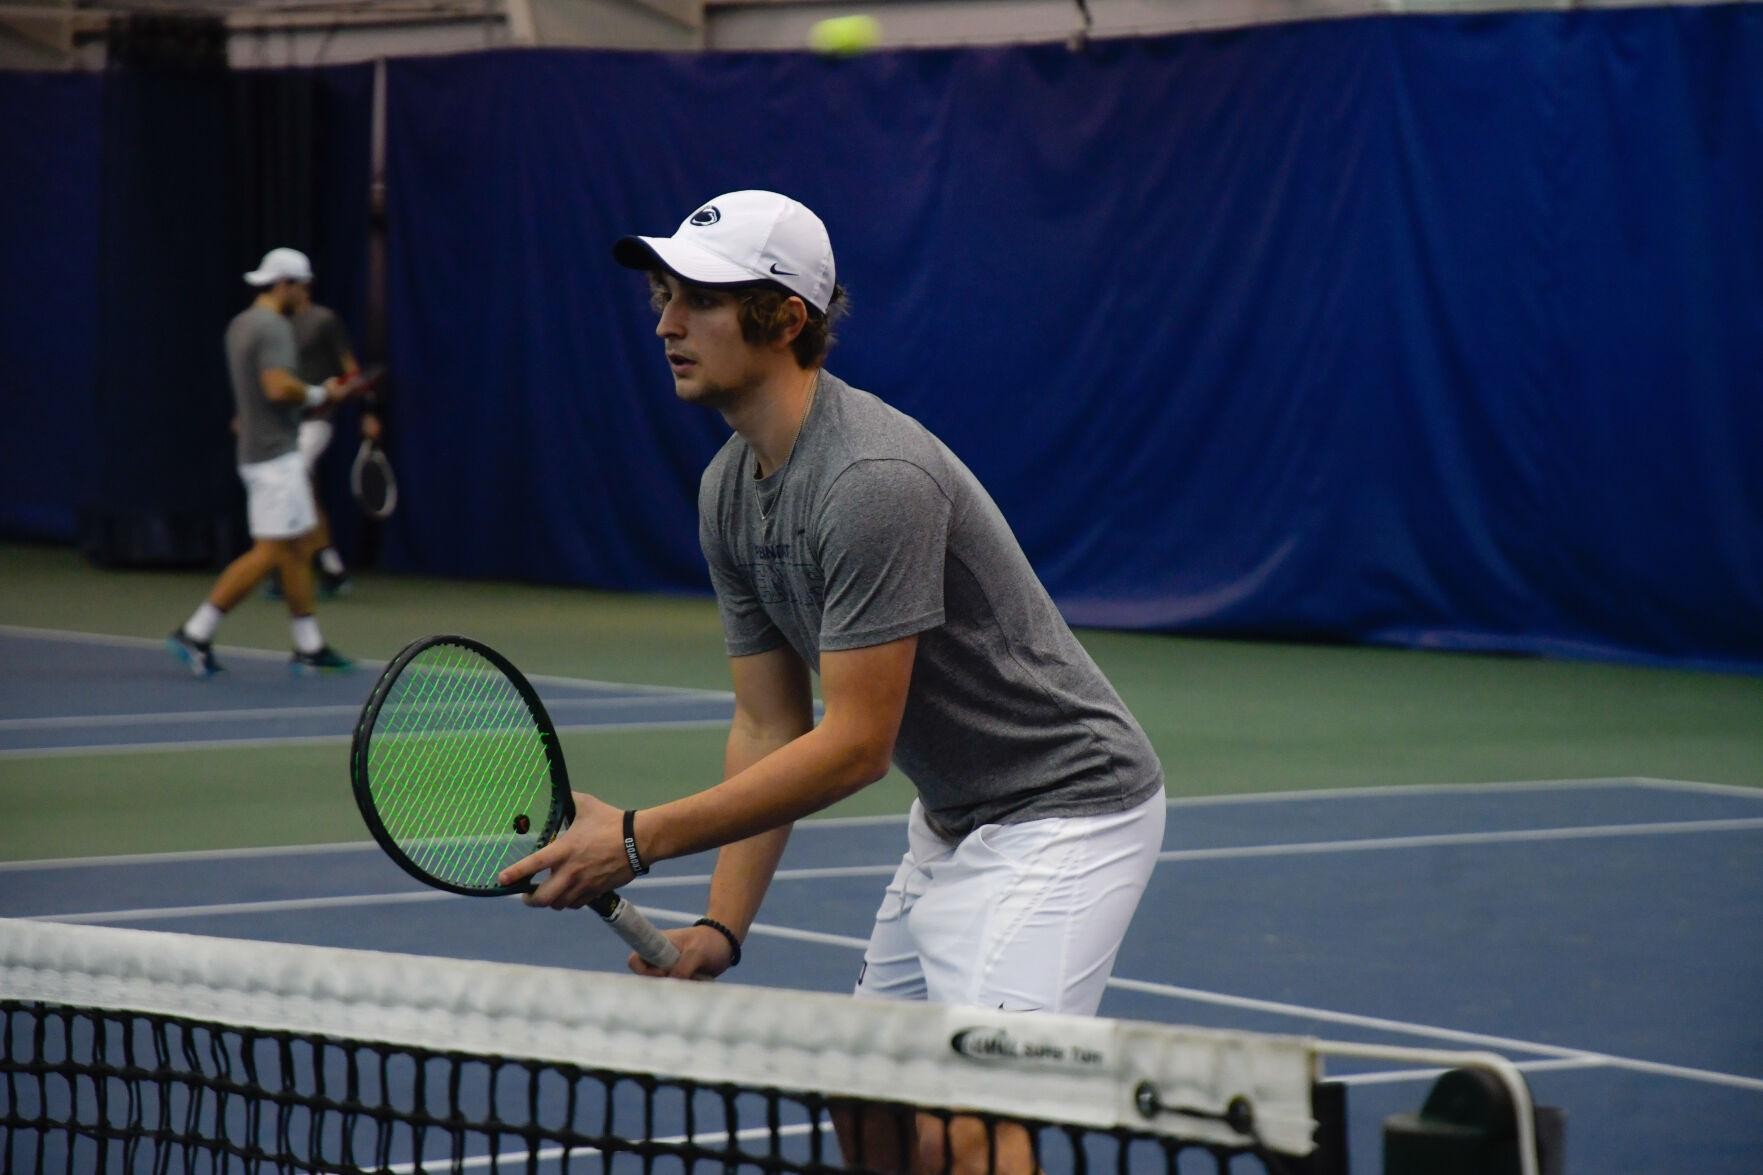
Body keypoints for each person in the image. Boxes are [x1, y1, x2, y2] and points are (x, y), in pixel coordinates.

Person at [499, 192, 1166, 1173]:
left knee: (965, 1119)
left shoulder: (871, 479)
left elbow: (854, 743)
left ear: (785, 316)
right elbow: (768, 723)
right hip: (953, 817)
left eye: (700, 299)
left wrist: (636, 838)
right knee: (873, 1105)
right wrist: (719, 929)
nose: (666, 323)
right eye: (663, 295)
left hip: (1066, 814)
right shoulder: (727, 489)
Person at [167, 247, 360, 677]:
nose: (306, 293)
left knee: (295, 549)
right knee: (271, 551)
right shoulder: (273, 328)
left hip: (263, 452)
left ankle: (309, 646)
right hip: (274, 458)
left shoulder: (241, 324)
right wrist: (319, 393)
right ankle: (196, 632)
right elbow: (276, 387)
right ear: (284, 284)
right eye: (302, 285)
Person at [286, 279, 376, 598]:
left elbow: (352, 373)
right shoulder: (277, 325)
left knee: (295, 478)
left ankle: (314, 562)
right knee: (300, 489)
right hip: (283, 424)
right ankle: (326, 564)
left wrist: (367, 410)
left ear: (301, 286)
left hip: (317, 422)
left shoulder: (324, 321)